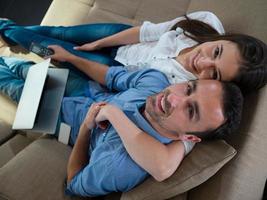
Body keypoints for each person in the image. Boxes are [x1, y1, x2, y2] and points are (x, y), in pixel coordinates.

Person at [0, 47, 243, 197]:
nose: (174, 98)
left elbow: (74, 183)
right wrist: (71, 57)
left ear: (190, 138)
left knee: (12, 86)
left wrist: (86, 128)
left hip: (61, 119)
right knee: (25, 67)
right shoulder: (156, 82)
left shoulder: (120, 166)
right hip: (87, 90)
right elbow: (112, 76)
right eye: (188, 88)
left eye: (191, 110)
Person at [0, 11, 266, 93]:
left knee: (46, 48)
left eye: (215, 73)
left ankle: (8, 30)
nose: (203, 61)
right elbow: (146, 32)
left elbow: (120, 83)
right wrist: (99, 42)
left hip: (110, 70)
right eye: (217, 51)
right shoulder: (205, 23)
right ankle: (8, 29)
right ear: (225, 38)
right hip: (123, 38)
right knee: (60, 32)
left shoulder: (186, 89)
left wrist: (75, 57)